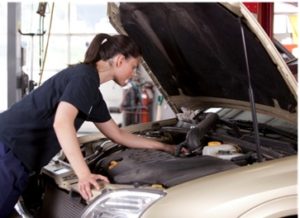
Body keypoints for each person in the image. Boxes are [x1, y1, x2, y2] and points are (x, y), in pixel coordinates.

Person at [0, 33, 177, 217]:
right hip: (7, 152)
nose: (133, 74)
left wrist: (165, 146)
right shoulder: (85, 77)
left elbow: (118, 135)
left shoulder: (91, 92)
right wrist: (84, 175)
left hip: (16, 157)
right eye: (133, 67)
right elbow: (62, 122)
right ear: (119, 60)